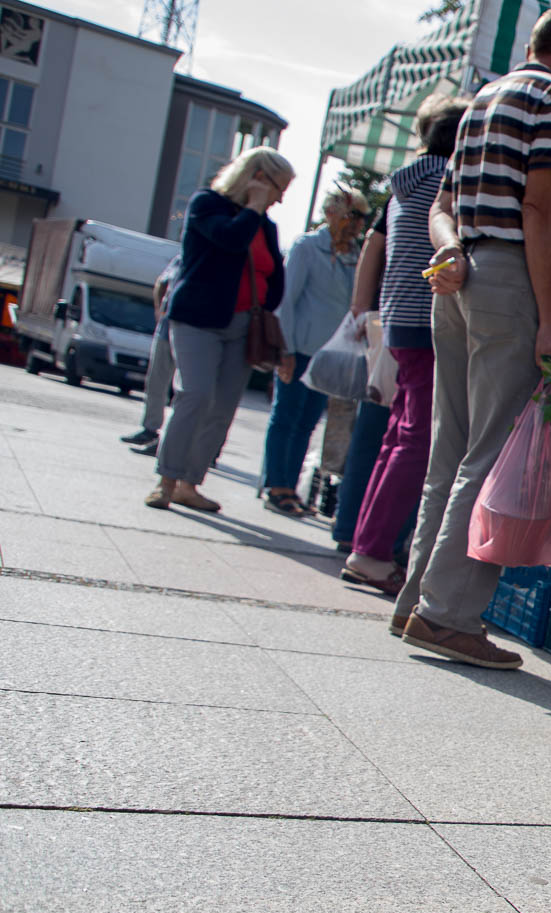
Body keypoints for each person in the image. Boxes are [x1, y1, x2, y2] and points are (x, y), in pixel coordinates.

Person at [394, 8, 551, 669]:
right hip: (511, 280)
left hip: (457, 274)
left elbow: (441, 205)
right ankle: (446, 615)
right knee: (492, 454)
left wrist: (451, 251)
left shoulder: (482, 99)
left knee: (449, 453)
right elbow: (540, 207)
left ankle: (414, 601)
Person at [340, 93, 469, 591]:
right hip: (428, 318)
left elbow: (374, 248)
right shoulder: (447, 182)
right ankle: (372, 552)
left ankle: (366, 545)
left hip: (397, 318)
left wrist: (363, 306)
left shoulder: (403, 185)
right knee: (416, 441)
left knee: (398, 436)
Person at [147, 146, 293, 512]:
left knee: (222, 408)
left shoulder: (267, 226)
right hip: (197, 319)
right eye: (279, 188)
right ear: (258, 177)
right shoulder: (207, 204)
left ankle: (189, 484)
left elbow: (275, 276)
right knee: (194, 395)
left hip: (243, 326)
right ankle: (166, 481)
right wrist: (253, 208)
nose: (280, 199)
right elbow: (230, 239)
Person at [257, 187, 368, 516]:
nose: (356, 224)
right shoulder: (307, 247)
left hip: (329, 356)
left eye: (361, 218)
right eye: (351, 216)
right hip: (299, 348)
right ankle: (276, 485)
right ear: (331, 214)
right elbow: (287, 301)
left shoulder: (355, 255)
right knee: (285, 416)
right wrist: (286, 350)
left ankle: (290, 487)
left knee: (307, 422)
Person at [120, 252, 182, 453]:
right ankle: (150, 430)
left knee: (186, 390)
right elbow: (161, 283)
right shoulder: (180, 258)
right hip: (166, 327)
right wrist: (159, 310)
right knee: (156, 381)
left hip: (192, 331)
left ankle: (175, 441)